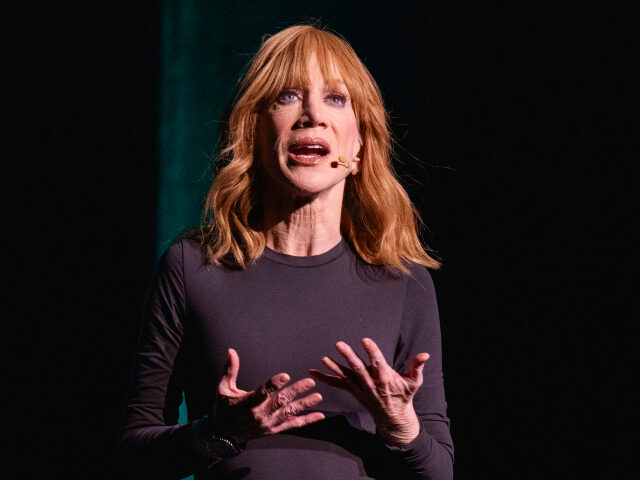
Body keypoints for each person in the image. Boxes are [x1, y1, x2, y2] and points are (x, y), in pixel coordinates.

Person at [121, 25, 453, 479]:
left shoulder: (403, 280)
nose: (312, 114)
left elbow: (439, 471)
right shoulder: (193, 265)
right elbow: (134, 452)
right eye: (287, 97)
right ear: (255, 131)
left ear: (359, 144)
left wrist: (401, 426)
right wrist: (217, 433)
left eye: (336, 99)